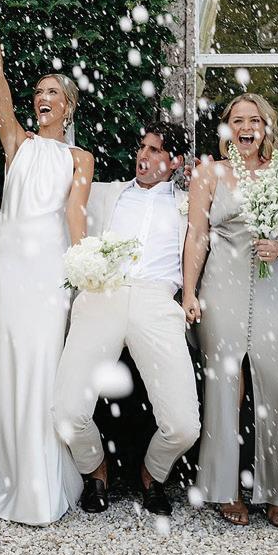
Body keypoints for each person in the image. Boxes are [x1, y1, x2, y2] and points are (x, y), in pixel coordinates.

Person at [0, 0, 87, 525]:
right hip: (8, 266)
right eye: (38, 92)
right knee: (7, 364)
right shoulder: (17, 141)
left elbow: (75, 216)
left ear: (69, 106)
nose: (41, 98)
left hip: (50, 267)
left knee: (43, 362)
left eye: (52, 92)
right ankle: (6, 471)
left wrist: (85, 271)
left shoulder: (79, 159)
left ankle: (40, 478)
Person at [52, 121, 201, 517]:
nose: (143, 156)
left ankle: (153, 474)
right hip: (103, 295)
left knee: (184, 426)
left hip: (158, 301)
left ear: (175, 162)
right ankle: (95, 470)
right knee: (66, 412)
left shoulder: (189, 202)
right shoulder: (107, 193)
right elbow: (58, 173)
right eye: (142, 147)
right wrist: (41, 140)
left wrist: (208, 173)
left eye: (155, 150)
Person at [182, 93, 278, 528]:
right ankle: (225, 487)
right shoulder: (209, 172)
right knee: (224, 386)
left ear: (266, 126)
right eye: (237, 121)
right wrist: (189, 292)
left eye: (254, 120)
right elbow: (197, 235)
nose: (246, 128)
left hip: (271, 286)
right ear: (227, 128)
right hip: (222, 285)